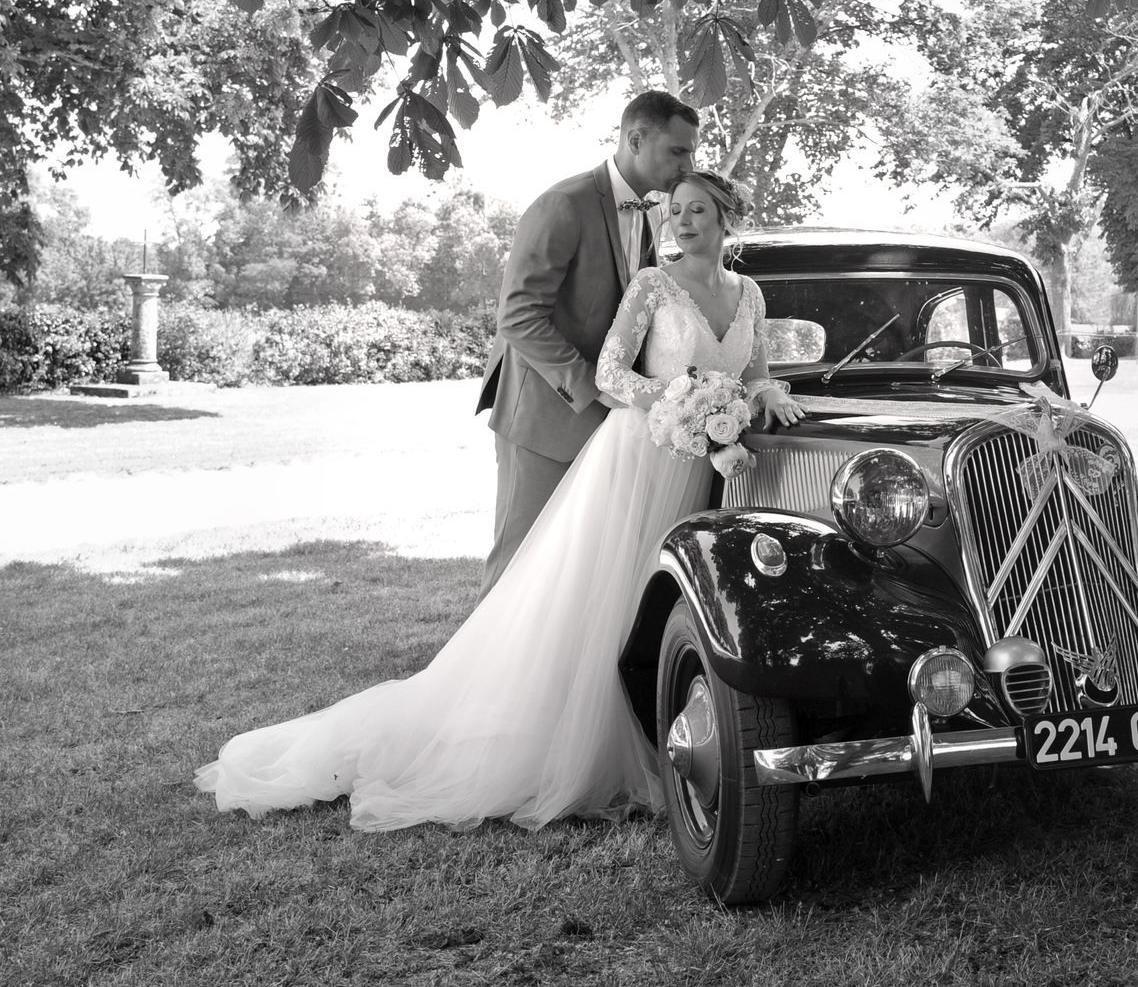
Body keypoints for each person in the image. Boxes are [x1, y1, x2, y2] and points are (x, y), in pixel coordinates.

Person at [195, 169, 806, 831]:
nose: (682, 222)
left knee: (666, 600)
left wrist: (766, 393)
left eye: (697, 212)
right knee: (601, 599)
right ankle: (574, 748)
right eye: (675, 211)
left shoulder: (747, 293)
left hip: (700, 472)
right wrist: (675, 400)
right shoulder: (652, 286)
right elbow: (609, 372)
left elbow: (755, 371)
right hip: (637, 456)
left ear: (725, 220)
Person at [475, 89, 698, 596]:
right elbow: (518, 315)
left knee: (572, 573)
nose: (688, 163)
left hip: (610, 423)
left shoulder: (647, 214)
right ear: (635, 139)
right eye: (678, 151)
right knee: (518, 563)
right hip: (542, 415)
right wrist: (594, 389)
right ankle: (493, 676)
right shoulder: (563, 204)